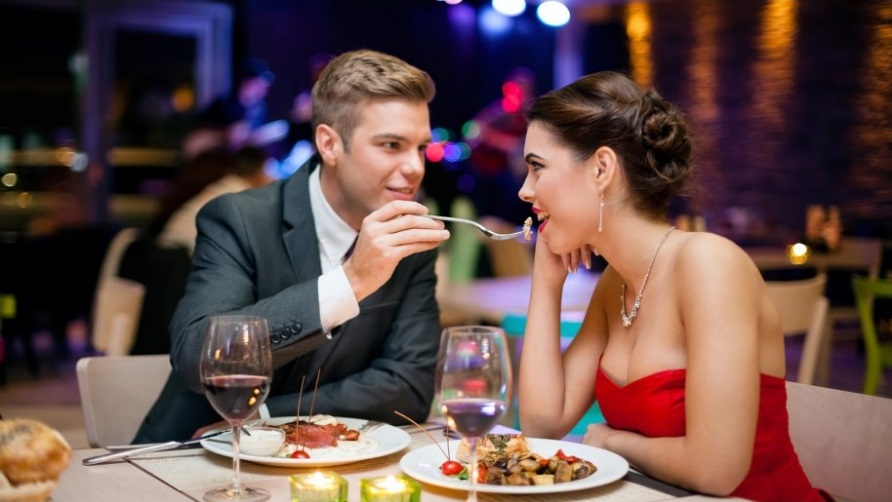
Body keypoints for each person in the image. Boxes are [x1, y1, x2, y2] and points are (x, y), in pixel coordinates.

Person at [516, 71, 829, 501]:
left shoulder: (709, 264)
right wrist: (546, 285)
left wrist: (612, 443)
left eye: (537, 168)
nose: (524, 190)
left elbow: (716, 473)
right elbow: (542, 424)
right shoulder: (615, 284)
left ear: (602, 169)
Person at [133, 49, 449, 443]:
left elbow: (409, 386)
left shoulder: (410, 238)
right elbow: (199, 357)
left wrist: (265, 415)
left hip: (336, 463)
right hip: (193, 455)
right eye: (391, 145)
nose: (416, 166)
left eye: (420, 147)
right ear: (329, 145)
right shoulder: (240, 219)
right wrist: (349, 282)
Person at [157, 145, 273, 253]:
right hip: (181, 258)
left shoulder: (226, 186)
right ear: (259, 171)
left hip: (165, 252)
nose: (270, 178)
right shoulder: (243, 194)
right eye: (267, 172)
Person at [183, 57, 286, 157]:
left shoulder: (260, 108)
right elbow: (194, 140)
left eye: (265, 86)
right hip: (219, 163)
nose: (263, 90)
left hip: (244, 162)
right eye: (259, 85)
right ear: (247, 83)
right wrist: (226, 134)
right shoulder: (223, 106)